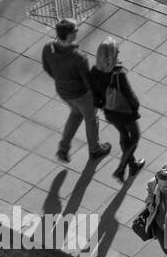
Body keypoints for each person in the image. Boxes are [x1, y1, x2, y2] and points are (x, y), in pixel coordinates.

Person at [41, 19, 110, 164]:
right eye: (76, 30)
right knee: (91, 120)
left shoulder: (48, 48)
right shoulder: (78, 58)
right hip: (81, 95)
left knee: (75, 114)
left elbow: (47, 68)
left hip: (64, 92)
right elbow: (87, 82)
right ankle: (95, 149)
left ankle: (63, 148)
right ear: (70, 35)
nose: (78, 31)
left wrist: (61, 80)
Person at [89, 37, 145, 181]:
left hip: (110, 112)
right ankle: (121, 169)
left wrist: (104, 106)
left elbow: (94, 96)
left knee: (123, 135)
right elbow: (129, 94)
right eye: (117, 51)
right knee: (135, 137)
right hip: (125, 112)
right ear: (112, 55)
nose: (119, 52)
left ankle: (132, 166)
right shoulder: (118, 74)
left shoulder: (94, 71)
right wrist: (135, 106)